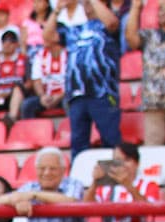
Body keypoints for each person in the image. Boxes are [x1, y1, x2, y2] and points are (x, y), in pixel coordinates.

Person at [45, 0, 122, 158]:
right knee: (78, 143)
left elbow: (112, 22)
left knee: (110, 139)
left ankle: (114, 178)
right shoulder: (73, 30)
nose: (87, 6)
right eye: (85, 4)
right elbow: (47, 36)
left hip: (103, 93)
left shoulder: (106, 28)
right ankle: (79, 180)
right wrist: (57, 10)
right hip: (77, 94)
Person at [125, 0, 165, 147]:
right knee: (152, 149)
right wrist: (136, 8)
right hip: (152, 102)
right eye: (159, 9)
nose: (161, 12)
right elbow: (131, 39)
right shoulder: (149, 35)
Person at [0, 145, 84, 222]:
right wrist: (15, 202)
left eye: (53, 169)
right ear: (36, 170)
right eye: (42, 168)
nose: (47, 173)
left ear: (63, 170)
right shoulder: (30, 186)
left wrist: (34, 195)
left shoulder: (74, 184)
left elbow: (71, 201)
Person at [81, 141, 160, 222]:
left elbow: (148, 212)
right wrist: (95, 182)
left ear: (137, 163)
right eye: (118, 160)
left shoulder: (149, 186)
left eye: (127, 160)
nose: (122, 165)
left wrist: (128, 185)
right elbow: (86, 208)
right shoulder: (105, 187)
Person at [20, 35, 67, 118]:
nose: (44, 36)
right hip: (47, 96)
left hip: (65, 95)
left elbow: (73, 82)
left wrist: (59, 96)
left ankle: (72, 130)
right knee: (27, 105)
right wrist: (42, 96)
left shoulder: (69, 55)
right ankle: (30, 130)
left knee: (70, 102)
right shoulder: (40, 55)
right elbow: (36, 80)